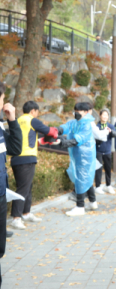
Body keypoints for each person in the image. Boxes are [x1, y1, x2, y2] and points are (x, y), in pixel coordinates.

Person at [10, 101, 58, 230]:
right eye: (37, 112)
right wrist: (55, 134)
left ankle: (26, 213)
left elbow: (27, 140)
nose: (37, 114)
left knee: (27, 187)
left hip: (17, 158)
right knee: (23, 189)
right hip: (26, 159)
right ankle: (16, 218)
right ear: (33, 111)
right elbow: (50, 131)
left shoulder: (18, 120)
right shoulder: (32, 120)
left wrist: (42, 141)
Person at [0, 84, 23, 286]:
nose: (4, 103)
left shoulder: (0, 126)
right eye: (3, 99)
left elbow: (15, 148)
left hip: (0, 194)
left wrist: (12, 120)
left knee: (0, 248)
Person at [59, 102, 98, 216]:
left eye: (78, 111)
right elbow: (66, 126)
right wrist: (57, 130)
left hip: (85, 156)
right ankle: (92, 201)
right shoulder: (75, 122)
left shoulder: (87, 124)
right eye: (75, 110)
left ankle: (80, 206)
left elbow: (78, 139)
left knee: (81, 178)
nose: (76, 113)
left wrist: (64, 142)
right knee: (86, 177)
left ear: (86, 112)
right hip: (78, 155)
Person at [94, 109, 116, 195]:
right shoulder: (96, 126)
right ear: (100, 116)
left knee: (108, 169)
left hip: (107, 151)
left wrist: (111, 131)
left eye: (106, 115)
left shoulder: (110, 126)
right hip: (98, 151)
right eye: (103, 115)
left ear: (108, 117)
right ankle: (98, 186)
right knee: (98, 169)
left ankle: (108, 185)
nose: (104, 116)